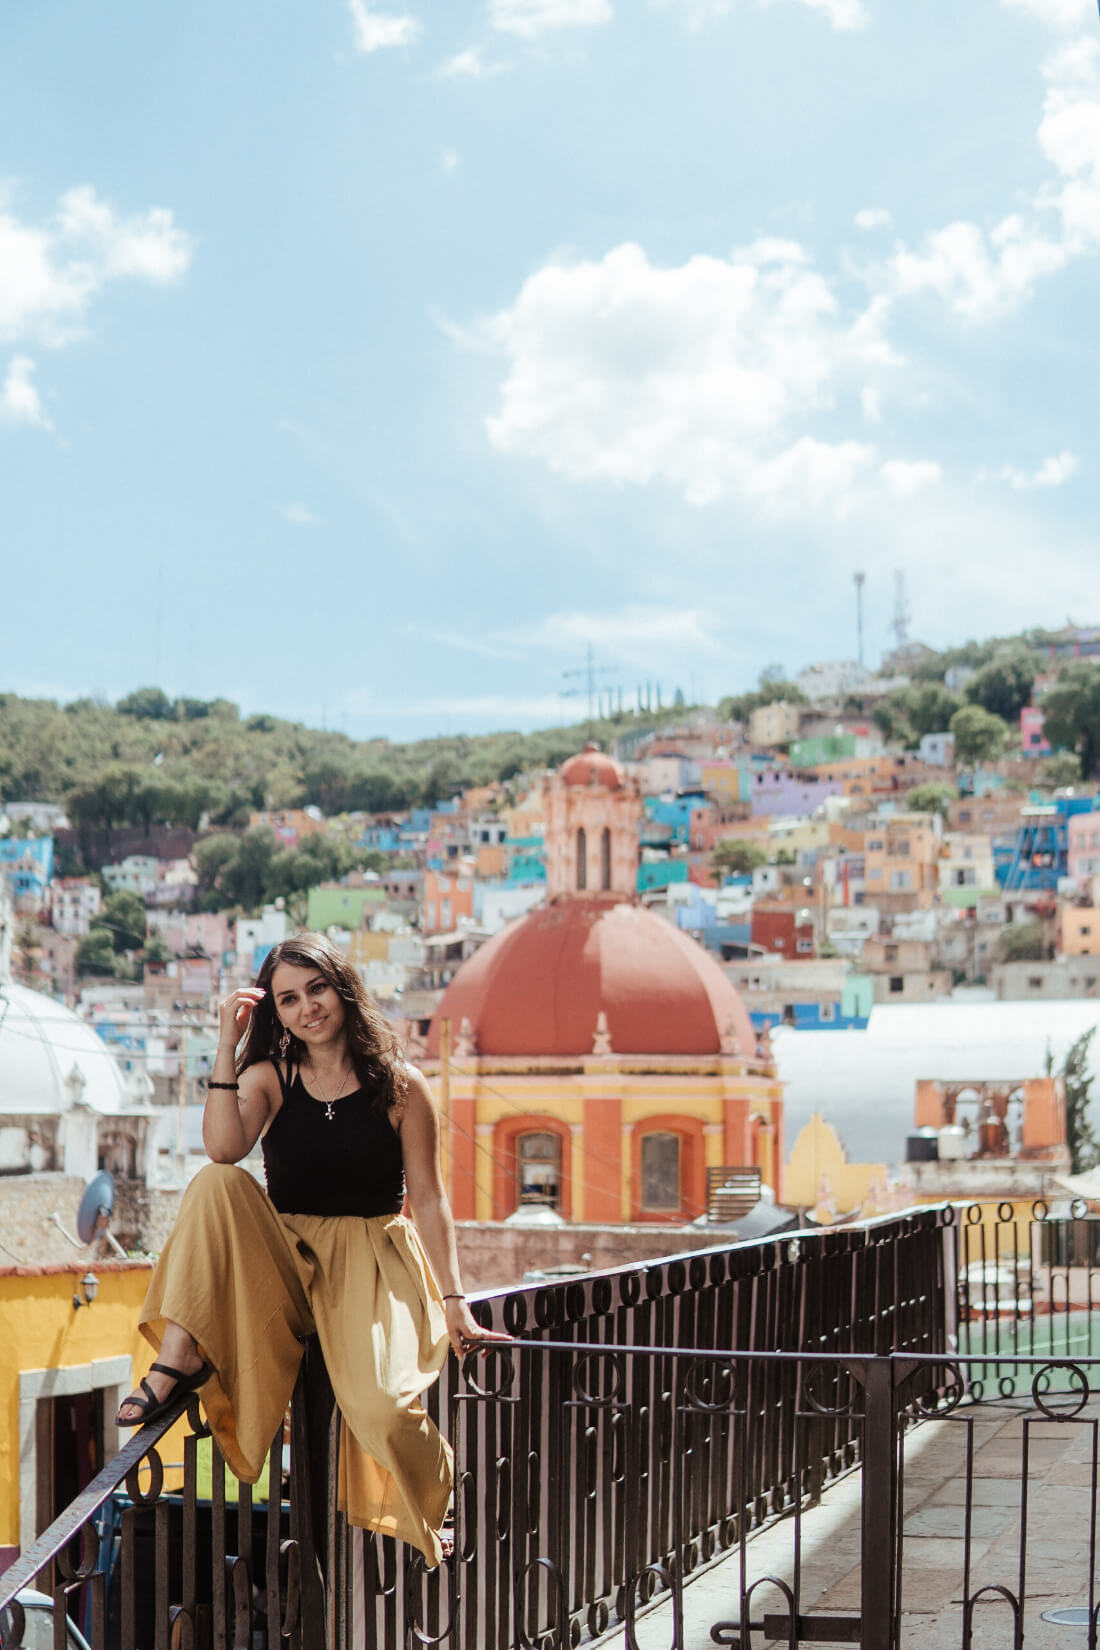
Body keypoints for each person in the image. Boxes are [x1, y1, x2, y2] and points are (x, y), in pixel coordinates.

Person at [115, 932, 508, 1567]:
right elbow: (222, 1149)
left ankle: (439, 1495)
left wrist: (455, 1300)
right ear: (276, 1012)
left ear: (343, 989)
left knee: (380, 1409)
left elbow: (431, 1200)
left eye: (317, 989)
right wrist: (227, 1043)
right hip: (286, 1251)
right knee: (216, 1182)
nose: (308, 1008)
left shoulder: (402, 1088)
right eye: (289, 999)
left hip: (370, 1257)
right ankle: (176, 1355)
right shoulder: (271, 1075)